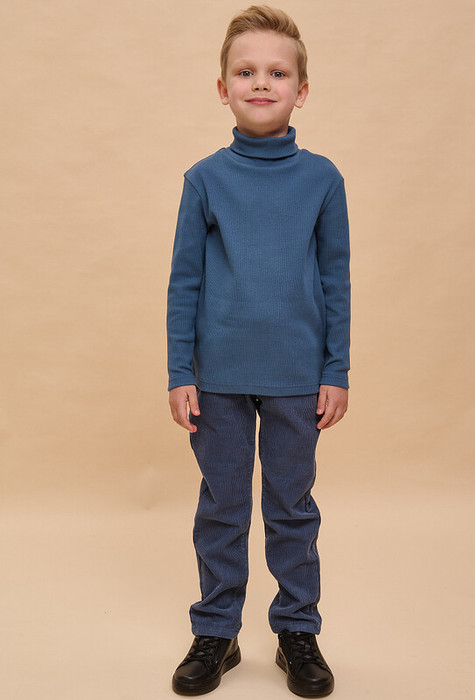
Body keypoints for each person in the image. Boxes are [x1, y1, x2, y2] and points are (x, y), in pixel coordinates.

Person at [166, 5, 350, 697]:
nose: (262, 82)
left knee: (290, 507)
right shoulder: (204, 179)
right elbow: (184, 281)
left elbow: (335, 279)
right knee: (221, 507)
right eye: (246, 72)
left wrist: (335, 370)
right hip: (216, 377)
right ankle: (217, 630)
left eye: (278, 72)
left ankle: (297, 630)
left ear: (301, 90)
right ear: (223, 89)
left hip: (297, 376)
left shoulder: (322, 179)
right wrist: (180, 371)